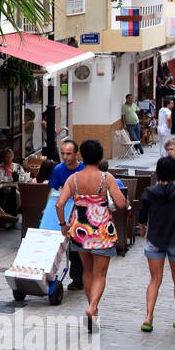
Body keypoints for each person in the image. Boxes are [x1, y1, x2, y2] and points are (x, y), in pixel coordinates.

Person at [56, 140, 128, 330]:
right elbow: (121, 203)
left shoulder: (73, 179)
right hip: (102, 229)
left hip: (80, 229)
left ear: (81, 156)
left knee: (87, 271)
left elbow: (59, 204)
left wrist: (63, 224)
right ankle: (93, 306)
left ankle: (92, 312)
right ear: (100, 157)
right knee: (100, 273)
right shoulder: (106, 178)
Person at [137, 156, 175, 331]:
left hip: (154, 239)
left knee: (154, 280)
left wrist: (142, 228)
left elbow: (142, 217)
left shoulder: (149, 192)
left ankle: (148, 317)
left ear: (157, 172)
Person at [49, 139, 85, 291]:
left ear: (76, 154)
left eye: (69, 154)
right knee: (68, 246)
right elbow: (52, 191)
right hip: (65, 210)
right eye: (63, 153)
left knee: (77, 247)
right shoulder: (58, 170)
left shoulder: (84, 169)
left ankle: (78, 278)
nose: (65, 157)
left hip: (81, 212)